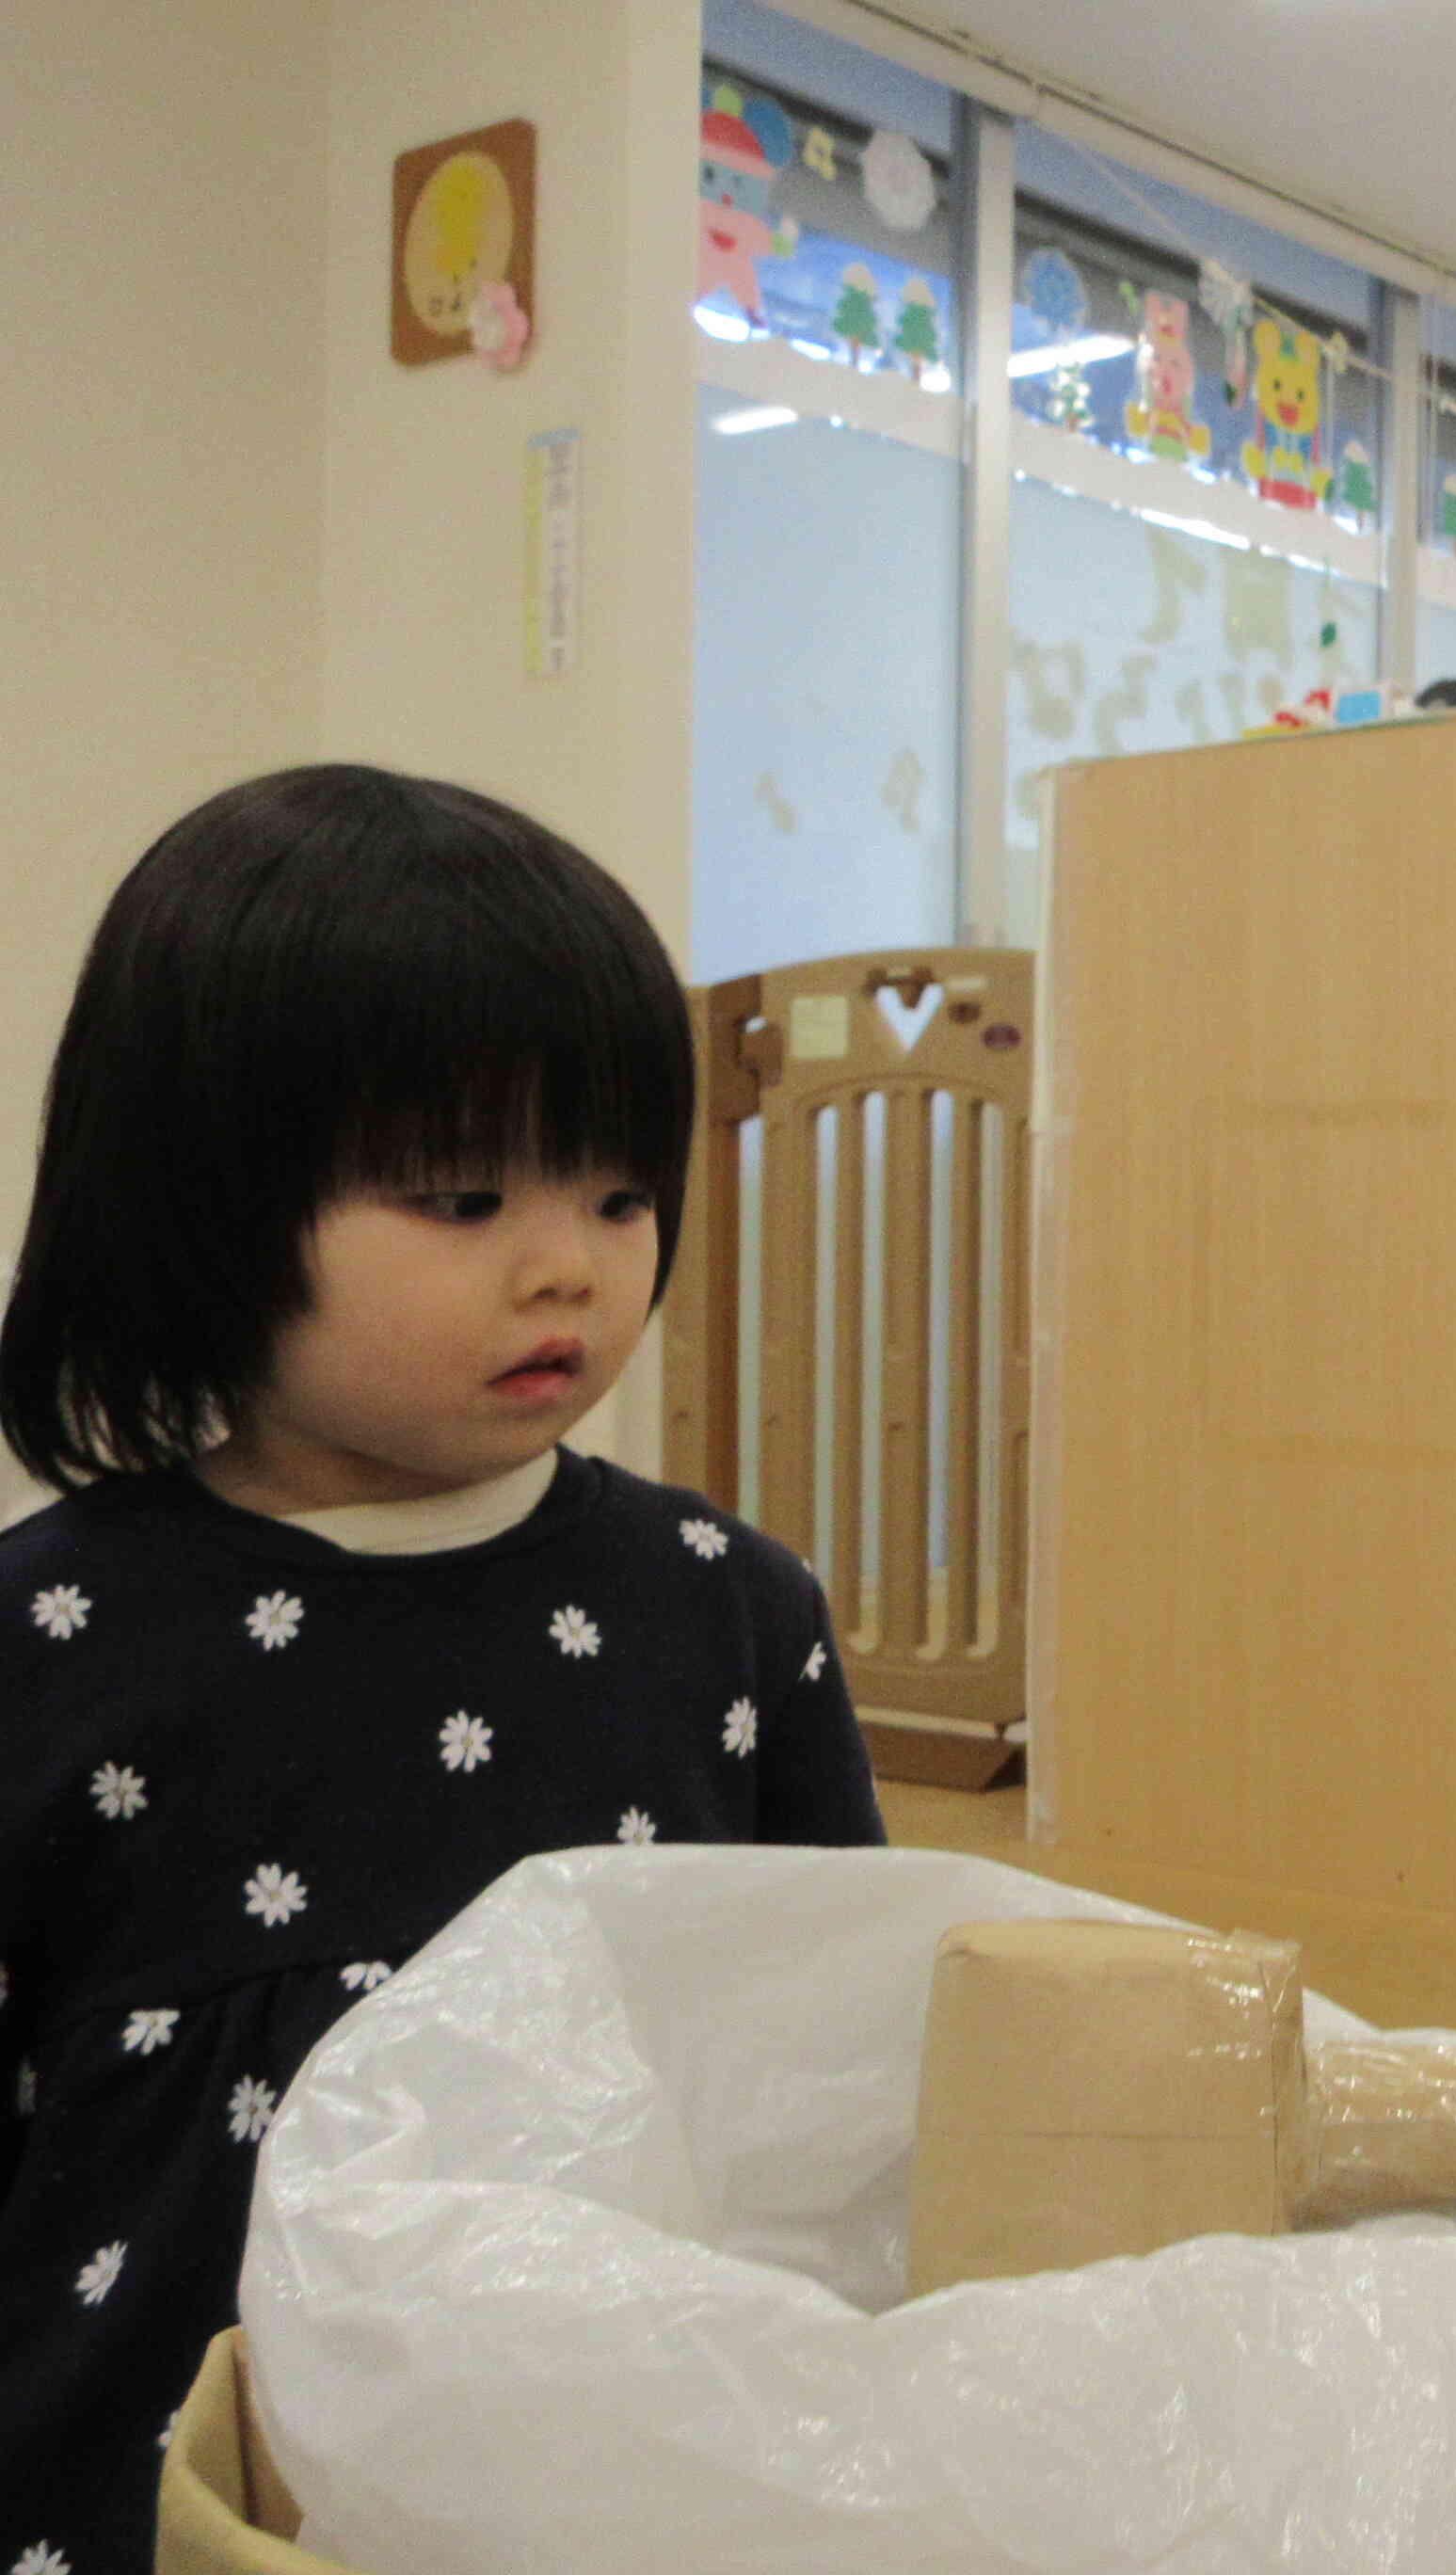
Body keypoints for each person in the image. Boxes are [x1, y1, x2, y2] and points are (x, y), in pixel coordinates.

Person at [0, 765, 885, 2573]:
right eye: (464, 1197)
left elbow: (835, 2074)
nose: (567, 1267)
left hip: (621, 2478)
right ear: (203, 1207)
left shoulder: (731, 1614)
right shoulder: (53, 1640)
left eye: (622, 1195)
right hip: (148, 2493)